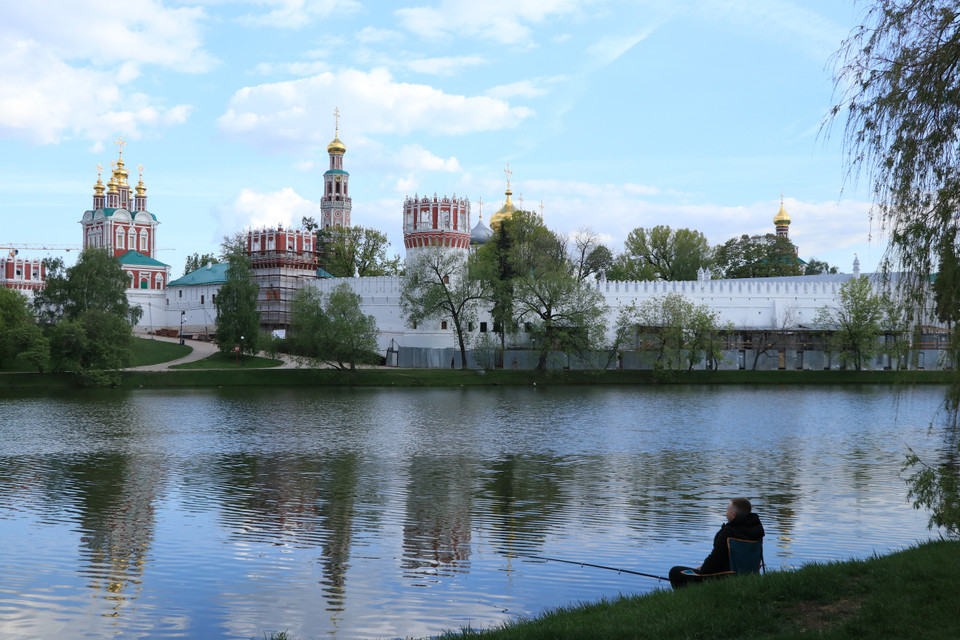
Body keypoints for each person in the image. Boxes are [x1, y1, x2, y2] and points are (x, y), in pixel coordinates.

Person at [669, 498, 765, 589]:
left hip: (726, 578)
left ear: (733, 515)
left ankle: (689, 597)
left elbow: (714, 560)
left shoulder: (728, 532)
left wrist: (701, 569)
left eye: (727, 511)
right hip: (750, 575)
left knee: (675, 572)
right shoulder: (757, 532)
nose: (726, 513)